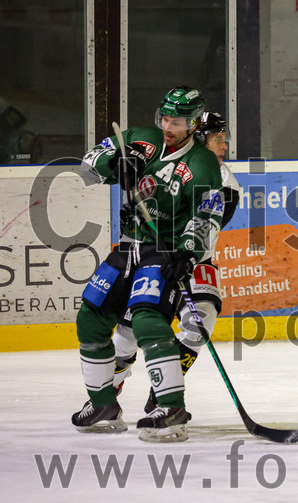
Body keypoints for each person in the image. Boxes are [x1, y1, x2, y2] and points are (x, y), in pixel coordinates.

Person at [72, 86, 223, 442]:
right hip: (129, 245)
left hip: (164, 250)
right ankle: (103, 403)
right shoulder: (139, 139)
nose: (170, 126)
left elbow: (209, 212)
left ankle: (171, 407)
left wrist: (188, 251)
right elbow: (87, 167)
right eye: (166, 118)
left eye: (179, 121)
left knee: (147, 319)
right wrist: (115, 164)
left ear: (194, 124)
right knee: (91, 316)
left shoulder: (201, 162)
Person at [111, 111, 241, 417]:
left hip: (194, 260)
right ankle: (107, 390)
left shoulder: (226, 182)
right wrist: (133, 215)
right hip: (150, 258)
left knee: (201, 321)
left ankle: (165, 388)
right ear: (198, 139)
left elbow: (207, 226)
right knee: (128, 332)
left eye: (224, 139)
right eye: (218, 139)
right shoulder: (159, 163)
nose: (224, 146)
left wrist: (186, 253)